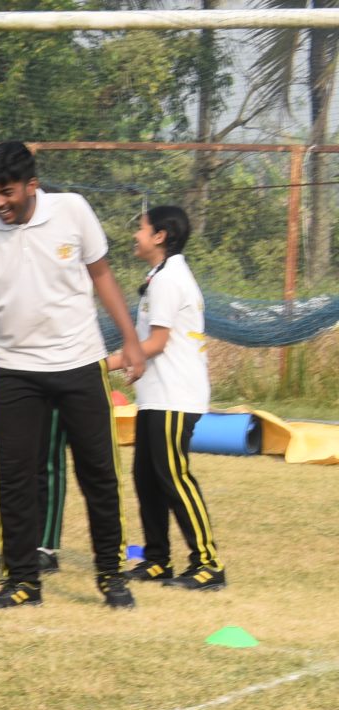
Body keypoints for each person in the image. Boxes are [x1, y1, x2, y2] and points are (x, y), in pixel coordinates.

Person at [0, 140, 145, 611]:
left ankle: (112, 577)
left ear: (31, 184)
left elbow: (102, 276)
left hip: (81, 363)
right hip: (13, 371)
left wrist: (131, 338)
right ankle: (22, 583)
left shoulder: (73, 210)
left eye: (7, 192)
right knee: (16, 479)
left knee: (98, 473)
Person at [116, 204, 223, 591]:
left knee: (174, 477)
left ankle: (208, 564)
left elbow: (157, 342)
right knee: (147, 479)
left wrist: (105, 363)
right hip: (157, 395)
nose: (135, 235)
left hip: (175, 397)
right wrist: (135, 366)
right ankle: (158, 560)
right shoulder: (161, 275)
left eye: (141, 228)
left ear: (160, 236)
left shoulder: (168, 279)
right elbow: (156, 342)